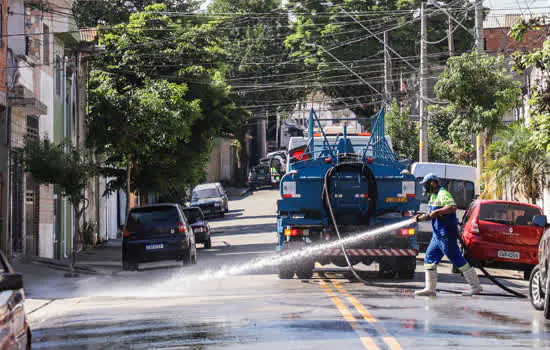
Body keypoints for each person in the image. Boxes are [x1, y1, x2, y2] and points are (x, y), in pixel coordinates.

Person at [415, 173, 482, 297]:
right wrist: (422, 216)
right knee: (429, 258)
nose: (424, 187)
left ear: (433, 182)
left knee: (456, 259)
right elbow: (433, 214)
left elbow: (452, 207)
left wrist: (436, 212)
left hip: (446, 233)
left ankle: (475, 286)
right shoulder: (433, 196)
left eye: (425, 184)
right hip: (437, 235)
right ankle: (430, 289)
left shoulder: (443, 193)